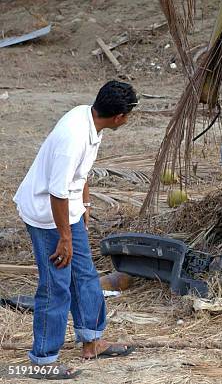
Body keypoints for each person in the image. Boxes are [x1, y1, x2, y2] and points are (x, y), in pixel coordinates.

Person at [13, 80, 138, 379]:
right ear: (119, 117)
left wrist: (84, 208)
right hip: (47, 215)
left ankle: (92, 340)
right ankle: (43, 359)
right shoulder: (73, 137)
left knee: (84, 274)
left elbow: (80, 176)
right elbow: (56, 192)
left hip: (68, 211)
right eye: (129, 114)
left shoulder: (91, 122)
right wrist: (65, 238)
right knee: (56, 283)